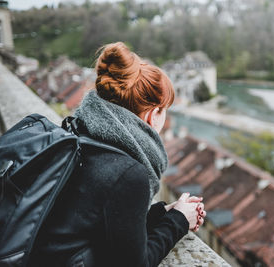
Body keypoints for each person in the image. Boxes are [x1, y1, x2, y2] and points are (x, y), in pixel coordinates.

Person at [28, 42, 207, 266]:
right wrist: (179, 221)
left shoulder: (81, 136)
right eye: (164, 110)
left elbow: (104, 222)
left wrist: (164, 213)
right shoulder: (128, 173)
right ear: (153, 115)